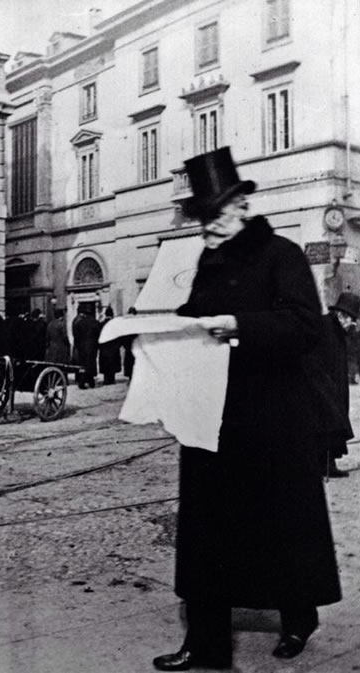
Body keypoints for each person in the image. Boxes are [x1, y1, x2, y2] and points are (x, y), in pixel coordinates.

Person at [153, 147, 341, 671]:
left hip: (275, 416)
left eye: (214, 219)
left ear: (240, 209)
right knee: (207, 528)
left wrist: (239, 325)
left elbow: (306, 328)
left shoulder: (283, 254)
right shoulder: (211, 260)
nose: (207, 231)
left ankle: (297, 619)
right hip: (212, 415)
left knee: (282, 524)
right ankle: (205, 643)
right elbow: (193, 315)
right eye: (202, 221)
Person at [310, 291, 360, 478]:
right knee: (326, 422)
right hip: (320, 384)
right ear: (341, 315)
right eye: (351, 319)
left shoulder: (338, 330)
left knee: (333, 423)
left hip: (332, 384)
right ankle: (323, 464)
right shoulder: (324, 326)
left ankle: (328, 463)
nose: (353, 324)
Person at [72, 305, 101, 388]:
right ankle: (90, 381)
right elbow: (98, 336)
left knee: (83, 364)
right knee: (91, 364)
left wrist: (78, 346)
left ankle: (82, 381)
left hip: (82, 347)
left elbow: (76, 336)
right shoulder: (95, 323)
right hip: (92, 347)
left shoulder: (79, 323)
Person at [98, 306, 121, 385]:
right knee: (112, 364)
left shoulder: (101, 324)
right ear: (112, 314)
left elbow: (98, 336)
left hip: (104, 348)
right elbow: (119, 336)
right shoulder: (115, 324)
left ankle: (106, 379)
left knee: (105, 364)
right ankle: (112, 379)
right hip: (113, 348)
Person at [122, 306, 138, 380]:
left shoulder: (126, 323)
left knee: (129, 362)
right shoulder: (137, 322)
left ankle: (130, 376)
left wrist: (125, 344)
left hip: (128, 346)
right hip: (136, 345)